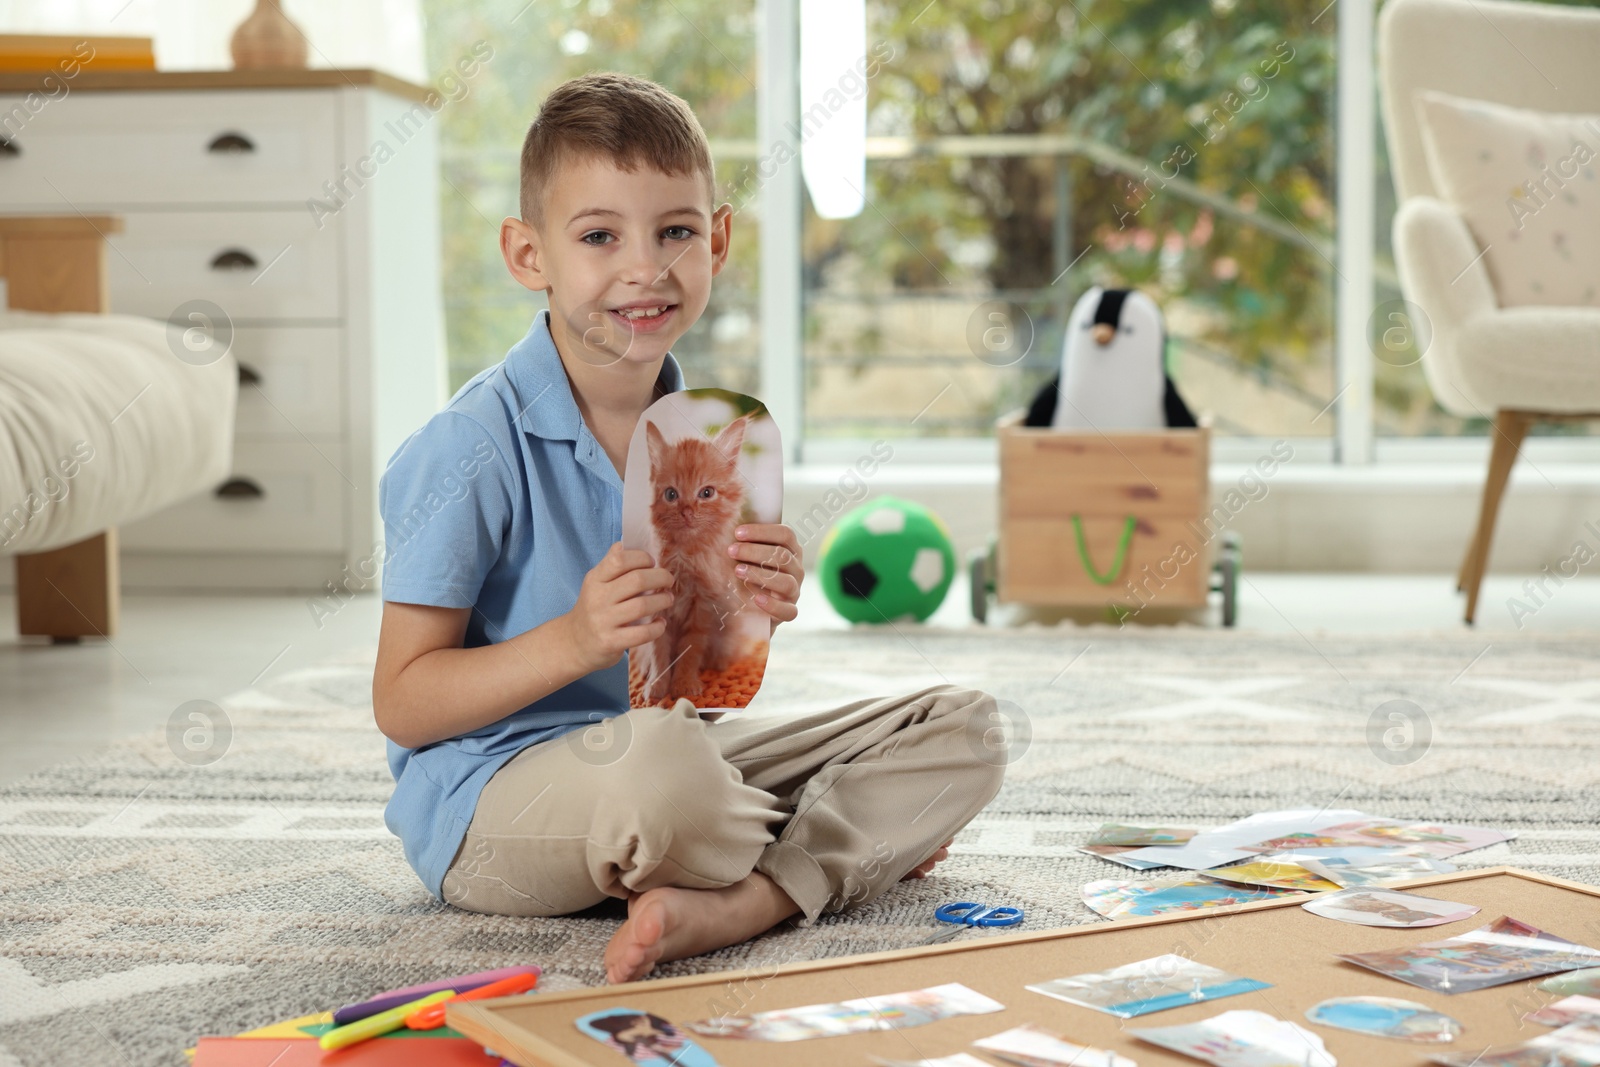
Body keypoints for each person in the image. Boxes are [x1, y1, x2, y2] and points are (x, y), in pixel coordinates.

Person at [371, 70, 1007, 985]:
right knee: (670, 771)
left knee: (965, 730)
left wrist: (747, 615)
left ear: (716, 241)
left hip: (661, 752)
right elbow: (403, 701)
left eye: (675, 232)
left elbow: (694, 699)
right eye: (599, 236)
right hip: (493, 803)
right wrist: (574, 639)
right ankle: (831, 850)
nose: (646, 268)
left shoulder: (712, 437)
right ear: (528, 255)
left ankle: (752, 899)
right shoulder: (467, 447)